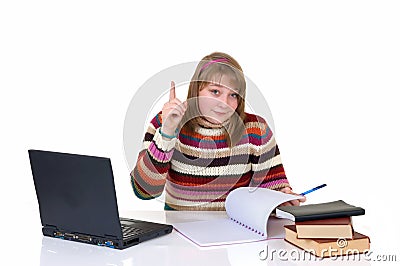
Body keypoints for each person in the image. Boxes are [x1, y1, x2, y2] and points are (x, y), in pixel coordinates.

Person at [130, 52, 306, 210]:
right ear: (196, 89)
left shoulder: (255, 129)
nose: (225, 103)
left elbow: (272, 188)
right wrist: (167, 133)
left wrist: (283, 198)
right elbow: (144, 191)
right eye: (215, 91)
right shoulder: (165, 121)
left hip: (237, 234)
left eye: (233, 95)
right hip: (179, 235)